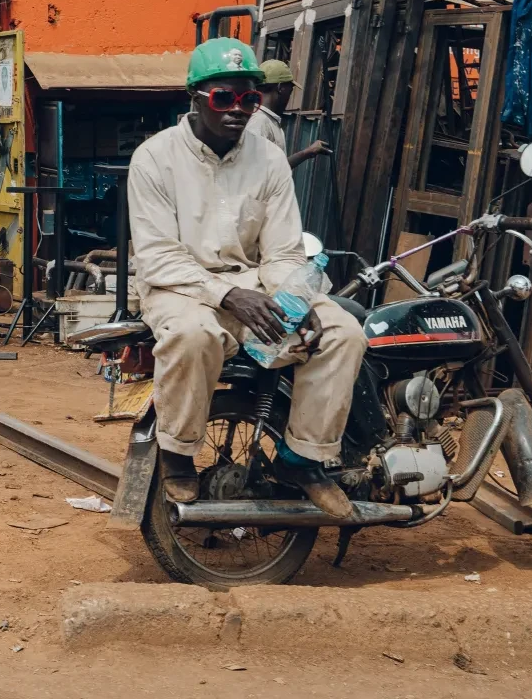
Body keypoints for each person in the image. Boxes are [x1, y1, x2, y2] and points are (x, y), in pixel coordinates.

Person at [127, 38, 366, 518]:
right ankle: (177, 451)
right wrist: (227, 294)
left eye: (249, 99)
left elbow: (282, 251)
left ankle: (303, 458)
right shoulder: (154, 159)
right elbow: (157, 257)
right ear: (194, 97)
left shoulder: (270, 159)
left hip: (254, 284)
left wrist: (298, 302)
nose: (238, 109)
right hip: (179, 287)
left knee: (342, 331)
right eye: (224, 98)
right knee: (194, 336)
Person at [246, 59, 333, 168]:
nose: (289, 96)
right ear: (280, 88)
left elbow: (275, 169)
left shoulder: (268, 120)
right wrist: (307, 153)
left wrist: (308, 152)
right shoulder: (259, 122)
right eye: (290, 90)